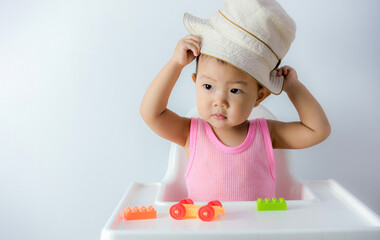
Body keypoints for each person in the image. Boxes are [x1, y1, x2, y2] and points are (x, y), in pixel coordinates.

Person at [140, 0, 330, 201]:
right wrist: (175, 64)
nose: (219, 100)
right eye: (208, 87)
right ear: (195, 83)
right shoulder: (190, 133)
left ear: (259, 96)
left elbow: (318, 130)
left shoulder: (267, 134)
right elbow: (151, 113)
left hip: (257, 232)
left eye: (234, 90)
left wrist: (293, 88)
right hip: (204, 232)